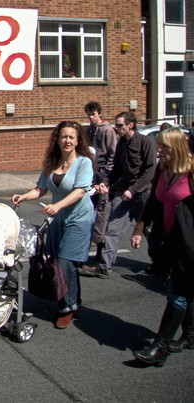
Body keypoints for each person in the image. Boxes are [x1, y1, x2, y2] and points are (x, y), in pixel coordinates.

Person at [12, 121, 95, 328]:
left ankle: (66, 307)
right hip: (58, 220)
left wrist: (57, 206)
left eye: (71, 137)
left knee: (65, 262)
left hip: (79, 218)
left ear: (78, 141)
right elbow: (40, 189)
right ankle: (74, 300)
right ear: (57, 139)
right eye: (63, 136)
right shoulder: (52, 162)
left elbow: (80, 191)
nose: (67, 140)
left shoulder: (84, 163)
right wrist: (23, 196)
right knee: (62, 262)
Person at [130, 128, 194, 366]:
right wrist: (139, 230)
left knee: (178, 293)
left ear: (176, 148)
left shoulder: (191, 172)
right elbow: (154, 203)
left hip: (189, 246)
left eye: (164, 148)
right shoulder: (162, 169)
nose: (159, 151)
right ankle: (189, 335)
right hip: (170, 241)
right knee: (188, 291)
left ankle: (160, 347)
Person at [81, 112, 156, 278]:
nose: (117, 128)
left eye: (120, 125)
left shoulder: (146, 142)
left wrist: (134, 190)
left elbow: (150, 171)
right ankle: (104, 267)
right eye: (116, 125)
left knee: (149, 231)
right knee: (112, 229)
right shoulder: (121, 144)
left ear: (131, 125)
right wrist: (105, 183)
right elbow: (116, 170)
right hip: (123, 194)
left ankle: (159, 264)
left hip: (141, 194)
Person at [84, 101, 117, 259]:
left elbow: (112, 153)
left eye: (93, 114)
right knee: (90, 208)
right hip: (92, 170)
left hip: (102, 171)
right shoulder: (89, 130)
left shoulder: (108, 130)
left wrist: (106, 174)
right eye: (89, 115)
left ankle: (100, 245)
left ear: (99, 113)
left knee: (100, 211)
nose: (91, 117)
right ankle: (93, 241)